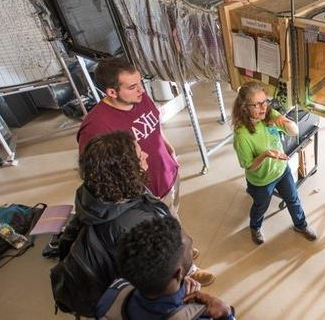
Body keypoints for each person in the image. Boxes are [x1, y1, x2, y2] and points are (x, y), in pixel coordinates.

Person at [50, 132, 210, 317]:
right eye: (139, 154)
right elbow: (154, 279)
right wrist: (181, 288)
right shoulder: (134, 226)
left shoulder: (96, 194)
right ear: (125, 170)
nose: (146, 155)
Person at [77, 58, 179, 213]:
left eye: (140, 83)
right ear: (112, 92)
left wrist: (169, 149)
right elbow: (96, 176)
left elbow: (154, 126)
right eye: (132, 87)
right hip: (143, 197)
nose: (142, 90)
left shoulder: (138, 97)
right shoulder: (95, 127)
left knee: (175, 216)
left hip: (168, 174)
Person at [96, 216, 235, 319]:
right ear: (178, 273)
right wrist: (226, 314)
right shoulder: (200, 316)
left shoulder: (113, 293)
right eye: (190, 249)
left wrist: (180, 292)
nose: (192, 250)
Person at [232, 82, 316, 244]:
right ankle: (255, 227)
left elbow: (294, 132)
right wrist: (265, 155)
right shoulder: (242, 135)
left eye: (265, 102)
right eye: (257, 105)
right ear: (244, 108)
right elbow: (248, 166)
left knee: (293, 198)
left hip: (281, 170)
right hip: (261, 180)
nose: (263, 108)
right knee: (260, 206)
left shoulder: (269, 115)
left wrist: (286, 123)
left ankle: (301, 225)